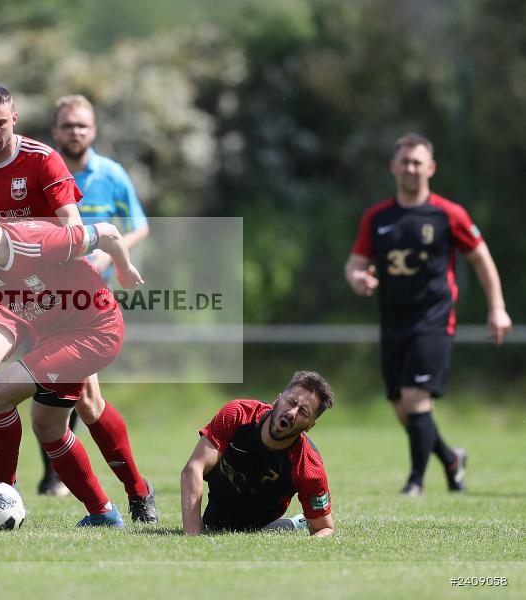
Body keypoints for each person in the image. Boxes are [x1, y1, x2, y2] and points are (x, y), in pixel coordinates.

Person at [0, 84, 156, 523]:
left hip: (70, 304)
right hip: (10, 291)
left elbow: (93, 232)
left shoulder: (44, 163)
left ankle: (135, 492)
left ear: (15, 118)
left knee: (85, 407)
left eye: (0, 123)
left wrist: (110, 268)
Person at [0, 198, 144, 527]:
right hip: (55, 337)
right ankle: (103, 512)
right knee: (48, 427)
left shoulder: (36, 243)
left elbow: (108, 232)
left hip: (94, 331)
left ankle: (3, 489)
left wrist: (123, 267)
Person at [345, 133, 512, 496]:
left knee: (416, 398)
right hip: (392, 322)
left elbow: (481, 258)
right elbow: (356, 262)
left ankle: (415, 482)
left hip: (433, 320)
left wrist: (496, 307)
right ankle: (451, 459)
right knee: (401, 407)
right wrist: (358, 278)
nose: (410, 168)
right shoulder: (378, 217)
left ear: (431, 167)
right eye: (404, 161)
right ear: (393, 166)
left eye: (418, 162)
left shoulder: (448, 214)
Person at [32, 95, 151, 497]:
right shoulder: (44, 171)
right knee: (63, 387)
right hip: (45, 296)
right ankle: (69, 478)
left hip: (92, 300)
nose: (75, 132)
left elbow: (138, 226)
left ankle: (102, 486)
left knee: (76, 390)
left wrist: (109, 254)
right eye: (68, 126)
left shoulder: (112, 174)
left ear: (94, 130)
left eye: (82, 125)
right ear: (55, 131)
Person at [180, 371, 336, 537]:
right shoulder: (238, 414)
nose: (292, 412)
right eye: (291, 402)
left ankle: (298, 521)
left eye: (303, 412)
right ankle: (296, 522)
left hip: (260, 520)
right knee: (214, 524)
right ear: (277, 399)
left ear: (310, 426)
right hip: (218, 511)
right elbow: (193, 469)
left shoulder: (308, 465)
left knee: (236, 528)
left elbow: (324, 528)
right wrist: (192, 536)